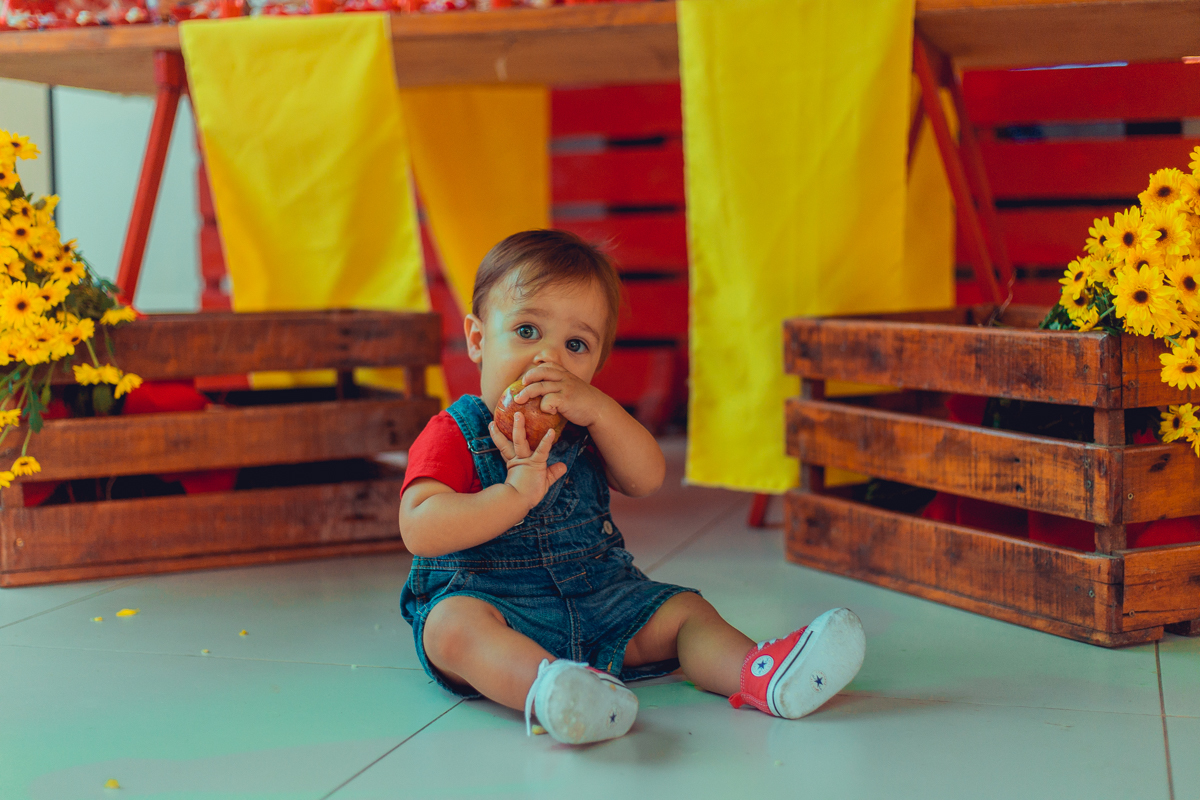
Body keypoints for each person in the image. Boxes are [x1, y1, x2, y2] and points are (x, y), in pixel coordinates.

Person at [399, 230, 865, 745]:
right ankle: (555, 691)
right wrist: (511, 497)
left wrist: (601, 410)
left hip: (603, 601)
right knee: (450, 628)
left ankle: (763, 675)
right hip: (493, 603)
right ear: (478, 338)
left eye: (575, 345)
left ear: (596, 366)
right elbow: (420, 528)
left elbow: (646, 479)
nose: (547, 360)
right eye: (527, 331)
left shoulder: (588, 426)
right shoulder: (453, 432)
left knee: (686, 613)